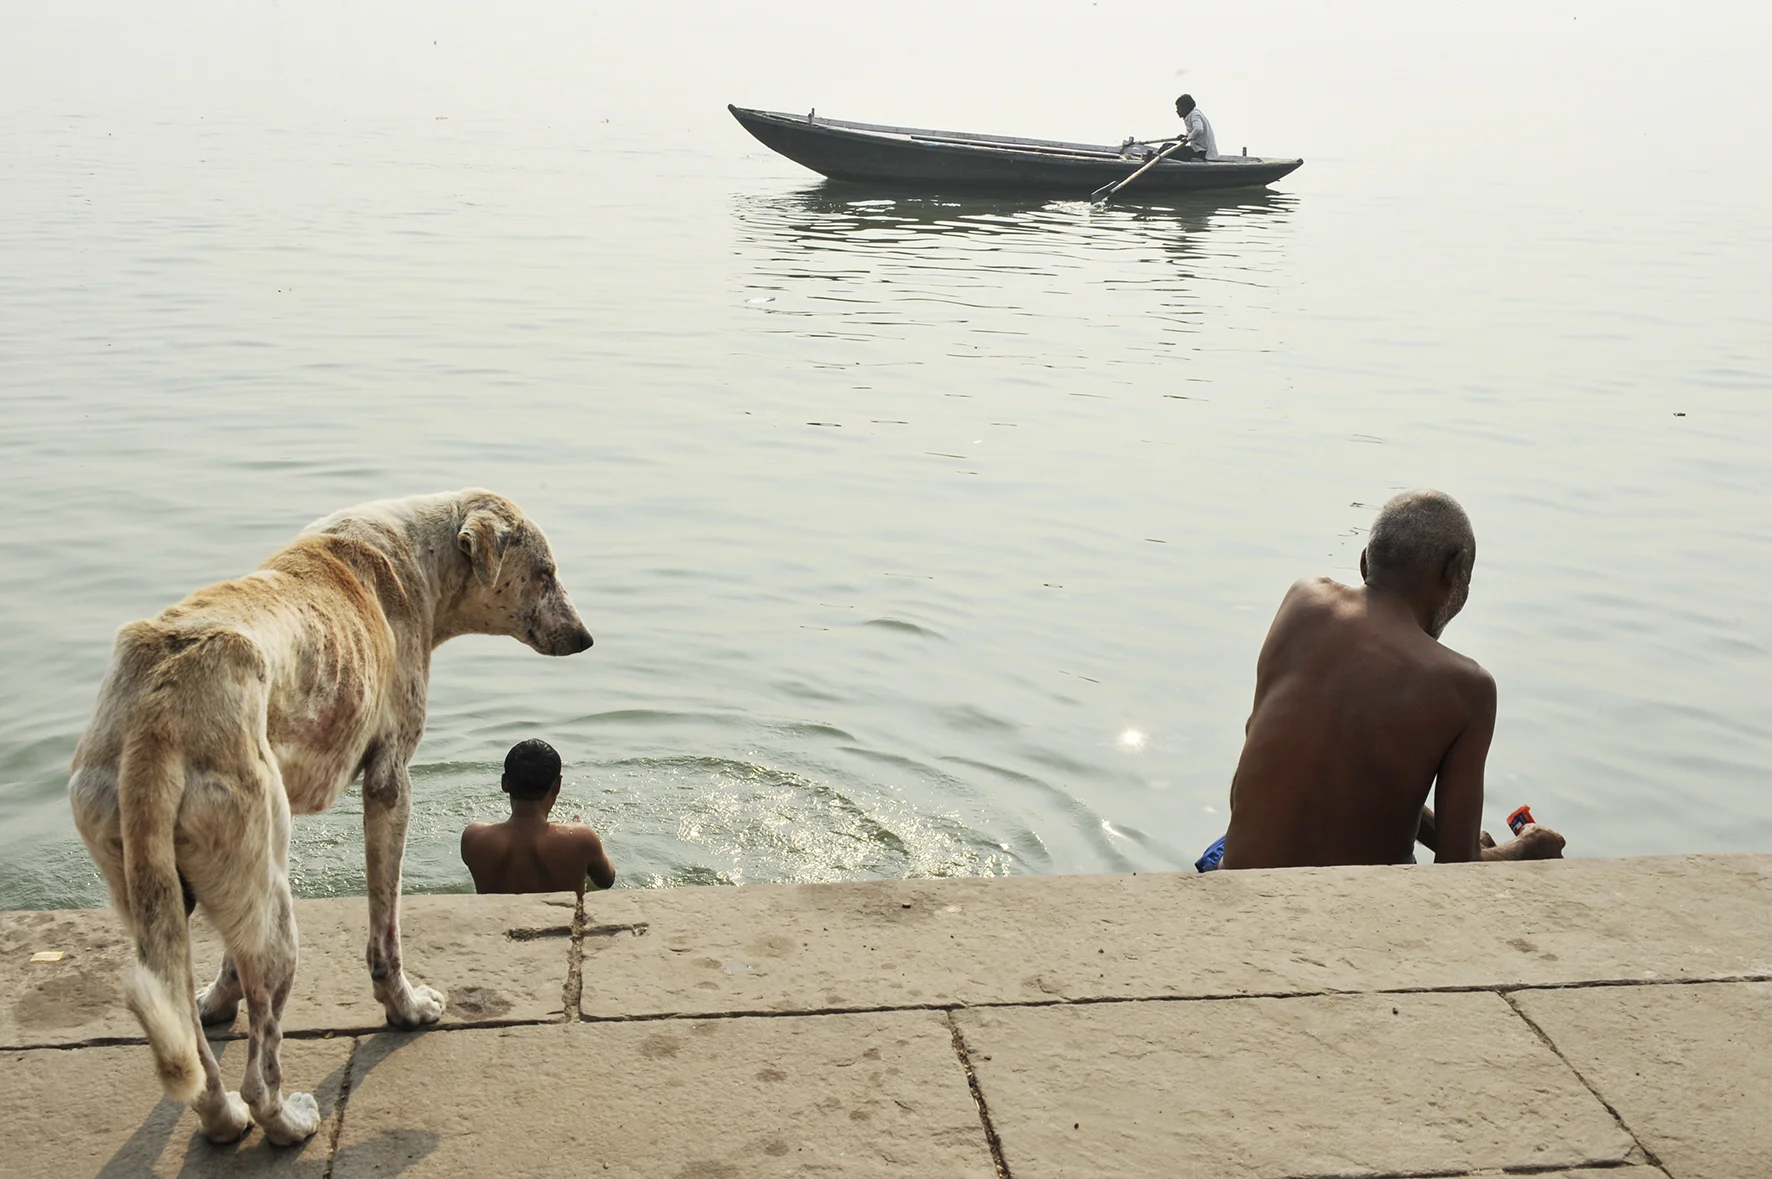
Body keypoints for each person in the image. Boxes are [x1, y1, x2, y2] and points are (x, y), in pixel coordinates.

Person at [1201, 490, 1566, 871]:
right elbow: (1459, 868)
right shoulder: (1467, 688)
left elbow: (1273, 771)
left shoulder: (1303, 601)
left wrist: (1441, 830)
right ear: (1454, 572)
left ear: (1365, 561)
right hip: (1352, 905)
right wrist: (1526, 848)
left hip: (1235, 881)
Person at [461, 739, 616, 895]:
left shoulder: (474, 838)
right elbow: (606, 880)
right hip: (562, 912)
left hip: (498, 912)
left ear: (504, 783)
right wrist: (578, 835)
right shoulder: (581, 838)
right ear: (557, 785)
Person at [1173, 94, 1218, 161]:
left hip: (1202, 152)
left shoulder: (1195, 115)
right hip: (1196, 149)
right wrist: (1185, 136)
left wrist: (1188, 139)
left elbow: (1198, 129)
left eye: (1179, 108)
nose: (1177, 111)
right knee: (1166, 146)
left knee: (1172, 150)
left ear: (1186, 108)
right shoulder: (1190, 115)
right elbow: (1191, 130)